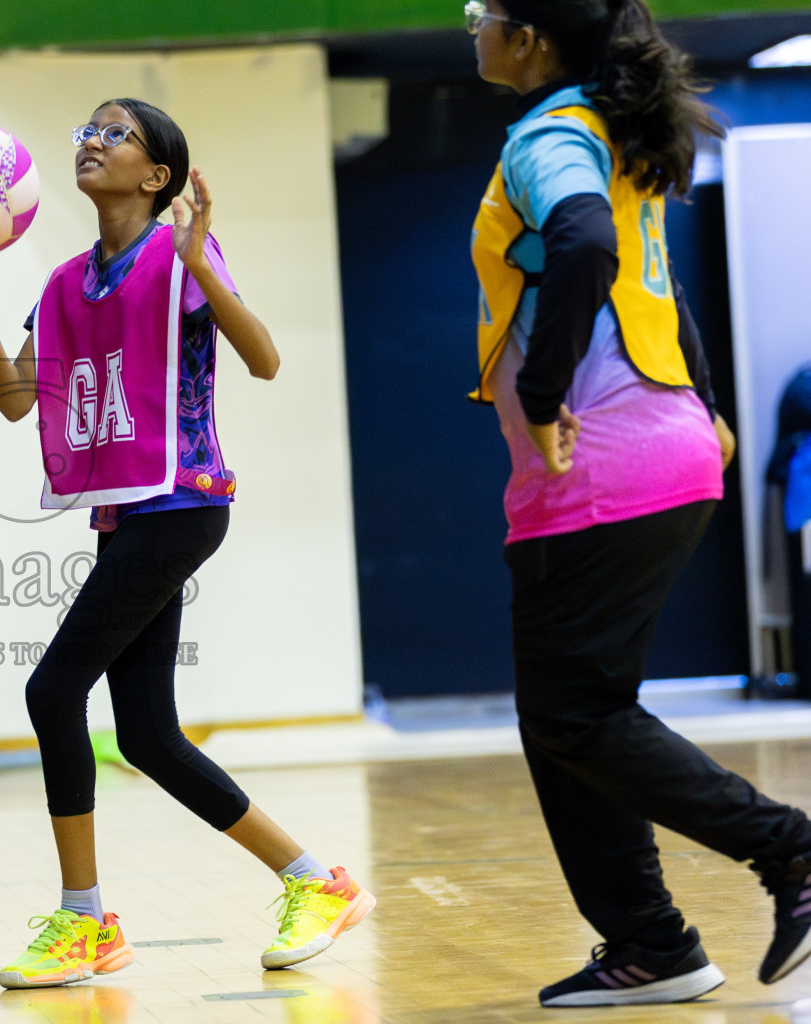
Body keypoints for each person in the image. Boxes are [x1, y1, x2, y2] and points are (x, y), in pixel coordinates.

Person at [0, 98, 375, 989]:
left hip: (183, 501)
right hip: (127, 514)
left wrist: (205, 265)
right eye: (87, 127)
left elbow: (266, 360)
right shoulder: (60, 284)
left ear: (157, 178)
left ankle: (84, 920)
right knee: (150, 736)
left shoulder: (178, 253)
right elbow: (14, 399)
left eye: (115, 133)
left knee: (52, 690)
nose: (90, 139)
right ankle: (317, 881)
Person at [464, 0, 811, 1006]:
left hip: (603, 463)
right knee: (562, 716)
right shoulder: (607, 130)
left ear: (529, 38)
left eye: (484, 11)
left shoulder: (551, 136)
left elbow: (580, 244)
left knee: (575, 710)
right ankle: (650, 944)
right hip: (653, 454)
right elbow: (656, 288)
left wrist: (540, 396)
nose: (471, 24)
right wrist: (702, 403)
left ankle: (787, 850)